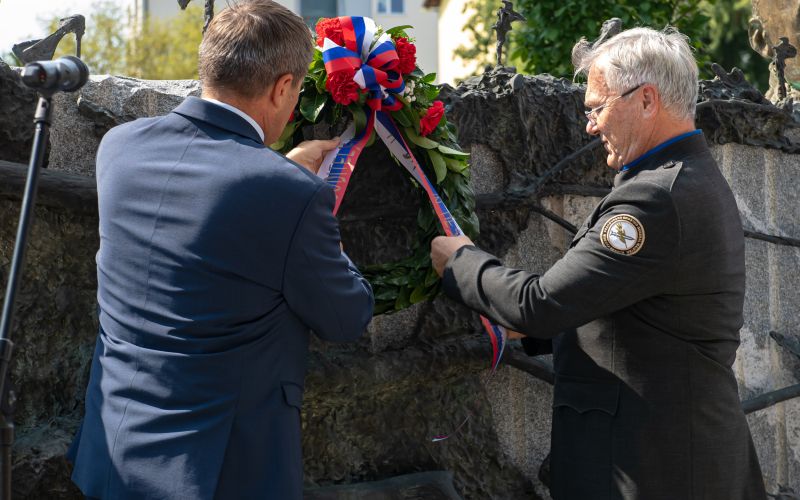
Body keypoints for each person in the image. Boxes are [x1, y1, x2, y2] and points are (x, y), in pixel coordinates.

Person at [431, 27, 767, 499]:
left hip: (656, 471)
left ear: (647, 99)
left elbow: (540, 303)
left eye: (596, 107)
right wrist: (535, 334)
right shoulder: (684, 178)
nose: (590, 125)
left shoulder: (652, 198)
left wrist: (460, 262)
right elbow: (638, 312)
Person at [67, 1, 374, 498]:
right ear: (282, 88)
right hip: (220, 473)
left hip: (113, 455)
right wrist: (295, 184)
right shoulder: (291, 193)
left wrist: (280, 176)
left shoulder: (119, 148)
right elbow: (346, 317)